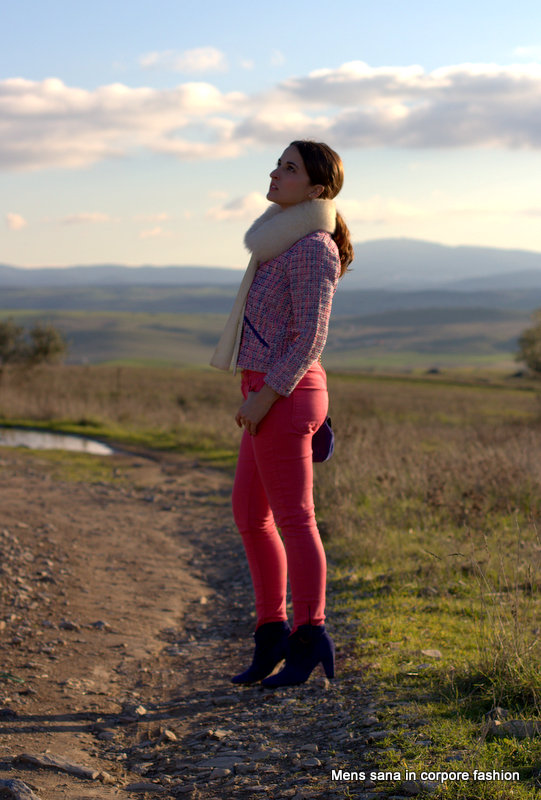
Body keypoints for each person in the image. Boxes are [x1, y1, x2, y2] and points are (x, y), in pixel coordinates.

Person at [211, 140, 353, 687]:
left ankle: (310, 635)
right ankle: (271, 632)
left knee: (295, 519)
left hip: (285, 393)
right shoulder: (279, 241)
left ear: (316, 189)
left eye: (289, 168)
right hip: (266, 389)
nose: (275, 173)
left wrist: (265, 395)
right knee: (250, 514)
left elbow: (310, 335)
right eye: (277, 163)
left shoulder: (314, 247)